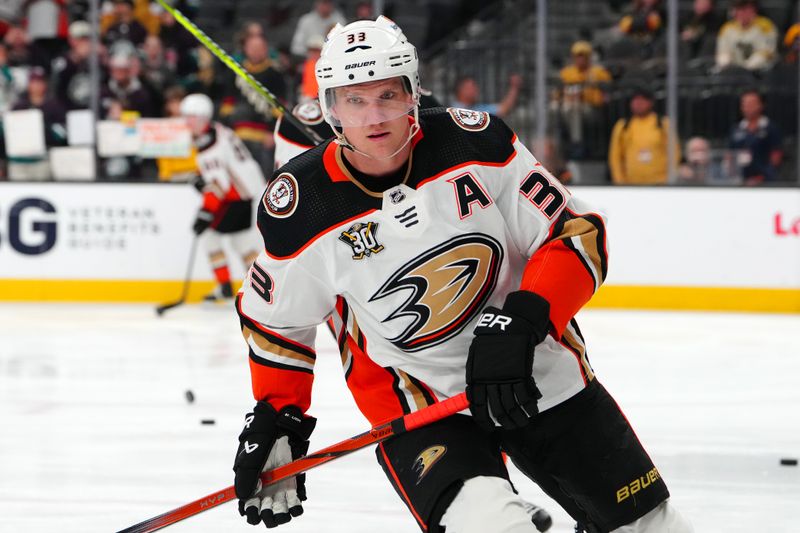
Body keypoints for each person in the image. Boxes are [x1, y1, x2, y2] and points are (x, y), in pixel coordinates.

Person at [231, 16, 692, 533]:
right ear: (331, 107)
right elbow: (276, 323)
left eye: (388, 95)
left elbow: (577, 235)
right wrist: (280, 415)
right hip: (419, 402)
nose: (375, 115)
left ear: (414, 92)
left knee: (654, 528)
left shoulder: (477, 145)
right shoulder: (301, 205)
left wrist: (524, 321)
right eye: (355, 100)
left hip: (538, 372)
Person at [181, 93, 265, 301]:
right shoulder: (217, 131)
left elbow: (219, 185)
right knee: (241, 243)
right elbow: (222, 173)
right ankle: (256, 289)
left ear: (201, 117)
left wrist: (205, 212)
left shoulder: (210, 145)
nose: (186, 121)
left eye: (190, 116)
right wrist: (202, 179)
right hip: (244, 193)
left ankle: (244, 288)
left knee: (215, 240)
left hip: (236, 196)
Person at [608, 87, 680, 184]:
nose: (638, 103)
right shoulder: (622, 125)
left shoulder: (663, 124)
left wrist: (667, 180)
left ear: (651, 103)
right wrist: (620, 182)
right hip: (631, 184)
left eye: (642, 100)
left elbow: (674, 153)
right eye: (635, 100)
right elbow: (615, 156)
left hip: (660, 184)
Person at [552, 40, 611, 159]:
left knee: (574, 108)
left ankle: (577, 145)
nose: (580, 59)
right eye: (577, 56)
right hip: (567, 107)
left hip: (592, 109)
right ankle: (553, 145)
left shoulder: (598, 72)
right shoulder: (566, 73)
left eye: (583, 56)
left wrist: (584, 95)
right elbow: (556, 95)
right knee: (554, 108)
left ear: (589, 57)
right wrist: (565, 96)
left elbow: (604, 97)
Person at [6, 66, 67, 181]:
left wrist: (43, 127)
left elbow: (62, 133)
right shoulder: (19, 106)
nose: (36, 86)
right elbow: (9, 131)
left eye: (39, 82)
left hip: (42, 159)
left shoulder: (54, 106)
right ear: (29, 84)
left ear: (45, 84)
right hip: (19, 160)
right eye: (33, 82)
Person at [728, 89, 782, 185]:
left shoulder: (770, 128)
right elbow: (730, 155)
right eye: (745, 104)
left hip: (765, 182)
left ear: (761, 105)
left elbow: (776, 156)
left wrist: (762, 177)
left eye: (751, 104)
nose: (748, 107)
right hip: (740, 181)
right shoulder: (736, 129)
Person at [715, 0, 777, 72]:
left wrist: (748, 67)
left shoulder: (765, 26)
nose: (742, 13)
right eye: (739, 9)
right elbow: (723, 53)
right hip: (734, 72)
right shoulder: (727, 28)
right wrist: (724, 64)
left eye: (745, 9)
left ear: (754, 9)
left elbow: (767, 53)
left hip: (761, 72)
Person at [451, 73, 522, 118]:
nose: (476, 90)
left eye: (475, 86)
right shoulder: (452, 113)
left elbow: (503, 109)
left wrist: (514, 88)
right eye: (471, 87)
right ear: (460, 90)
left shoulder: (478, 109)